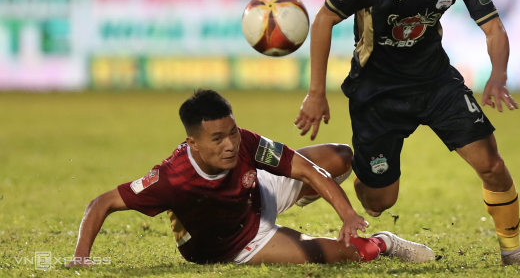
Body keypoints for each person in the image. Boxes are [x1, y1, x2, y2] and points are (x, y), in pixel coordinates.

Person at [295, 0, 520, 267]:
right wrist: (315, 93)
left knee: (491, 163)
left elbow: (494, 27)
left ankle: (512, 251)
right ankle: (361, 170)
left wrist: (498, 76)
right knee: (379, 202)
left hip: (434, 82)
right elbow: (325, 18)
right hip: (376, 91)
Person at [67, 89, 433, 267]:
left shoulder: (246, 142)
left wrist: (348, 215)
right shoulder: (171, 178)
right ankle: (387, 242)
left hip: (258, 192)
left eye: (232, 133)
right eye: (218, 138)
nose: (229, 145)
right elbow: (102, 203)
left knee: (340, 156)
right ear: (191, 142)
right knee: (346, 255)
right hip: (240, 242)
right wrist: (81, 260)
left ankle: (302, 198)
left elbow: (306, 167)